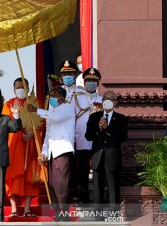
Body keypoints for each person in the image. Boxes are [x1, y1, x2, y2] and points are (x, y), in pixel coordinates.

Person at [27, 87, 75, 221]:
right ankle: (58, 214)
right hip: (53, 152)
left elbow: (57, 117)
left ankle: (64, 215)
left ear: (62, 97)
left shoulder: (67, 108)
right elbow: (48, 134)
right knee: (53, 184)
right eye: (50, 95)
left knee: (63, 184)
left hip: (63, 150)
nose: (51, 98)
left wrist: (37, 110)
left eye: (54, 95)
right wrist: (44, 153)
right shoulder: (51, 111)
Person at [3, 78, 42, 217]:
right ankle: (14, 208)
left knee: (30, 178)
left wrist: (33, 132)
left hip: (31, 145)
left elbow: (41, 123)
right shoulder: (8, 105)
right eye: (18, 87)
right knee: (13, 176)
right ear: (13, 89)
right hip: (15, 145)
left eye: (23, 87)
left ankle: (27, 209)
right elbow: (6, 124)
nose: (20, 89)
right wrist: (21, 133)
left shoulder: (35, 104)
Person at [85, 90, 127, 217]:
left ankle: (114, 215)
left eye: (111, 99)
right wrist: (98, 129)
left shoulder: (120, 118)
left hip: (112, 156)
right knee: (98, 187)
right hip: (98, 156)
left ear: (115, 102)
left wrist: (108, 129)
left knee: (112, 186)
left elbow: (123, 137)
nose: (107, 101)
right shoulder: (94, 117)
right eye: (105, 98)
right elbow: (88, 136)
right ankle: (98, 216)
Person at [74, 68, 103, 204]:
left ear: (98, 83)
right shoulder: (76, 98)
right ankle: (82, 197)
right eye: (89, 81)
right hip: (81, 139)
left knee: (98, 169)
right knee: (82, 170)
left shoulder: (102, 99)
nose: (91, 83)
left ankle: (99, 198)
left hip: (98, 140)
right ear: (84, 82)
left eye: (94, 81)